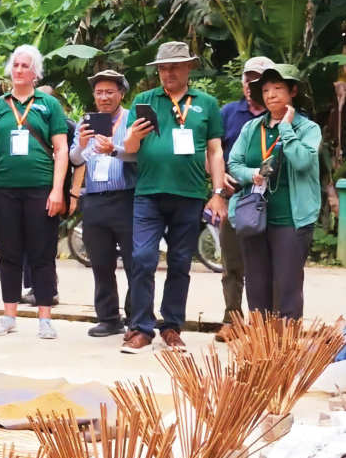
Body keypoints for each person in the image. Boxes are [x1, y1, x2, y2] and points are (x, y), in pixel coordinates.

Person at [122, 42, 227, 353]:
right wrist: (134, 136)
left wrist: (217, 193)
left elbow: (216, 151)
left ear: (188, 68)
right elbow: (129, 149)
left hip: (190, 194)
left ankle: (171, 328)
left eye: (175, 66)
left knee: (181, 263)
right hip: (149, 194)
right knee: (142, 259)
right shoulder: (145, 100)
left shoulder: (206, 103)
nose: (168, 72)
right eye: (164, 67)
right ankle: (141, 328)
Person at [0, 45, 68, 340]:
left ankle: (45, 318)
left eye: (25, 66)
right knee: (9, 253)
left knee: (42, 254)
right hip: (3, 188)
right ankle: (9, 315)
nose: (19, 70)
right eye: (15, 65)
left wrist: (57, 190)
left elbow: (62, 149)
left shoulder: (48, 105)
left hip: (41, 187)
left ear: (35, 73)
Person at [228, 65, 320, 321]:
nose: (270, 94)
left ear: (292, 91)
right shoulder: (251, 128)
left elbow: (302, 161)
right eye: (265, 90)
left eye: (278, 88)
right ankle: (261, 349)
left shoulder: (308, 129)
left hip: (291, 218)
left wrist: (286, 129)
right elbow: (234, 163)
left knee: (288, 286)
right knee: (257, 287)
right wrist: (251, 174)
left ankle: (287, 351)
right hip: (254, 216)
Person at [70, 70, 136, 337]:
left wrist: (115, 149)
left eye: (110, 92)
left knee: (136, 262)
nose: (104, 97)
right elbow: (75, 160)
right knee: (100, 261)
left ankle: (137, 317)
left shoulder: (133, 119)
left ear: (122, 93)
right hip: (95, 199)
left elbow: (141, 156)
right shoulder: (86, 122)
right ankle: (108, 318)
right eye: (99, 92)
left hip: (127, 197)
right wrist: (82, 143)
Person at [215, 56, 275, 342]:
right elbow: (211, 151)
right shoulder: (228, 112)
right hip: (235, 198)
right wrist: (218, 183)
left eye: (259, 79)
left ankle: (265, 323)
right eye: (248, 78)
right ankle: (232, 319)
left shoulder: (282, 115)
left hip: (273, 200)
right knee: (233, 264)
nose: (253, 84)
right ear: (242, 82)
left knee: (268, 264)